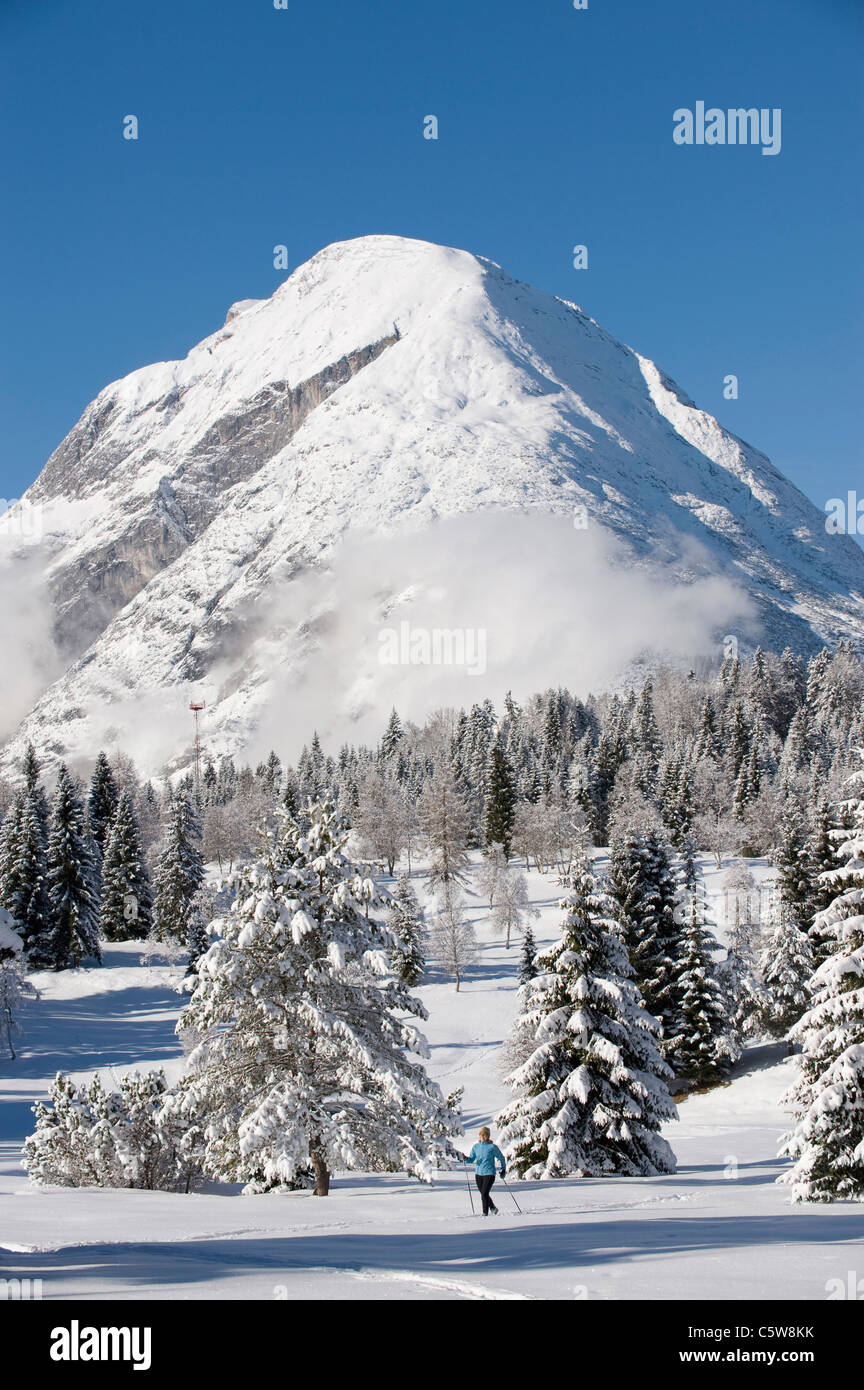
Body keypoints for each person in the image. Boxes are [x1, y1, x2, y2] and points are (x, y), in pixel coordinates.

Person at [463, 1126, 506, 1216]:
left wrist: (503, 1169)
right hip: (478, 1174)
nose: (482, 1136)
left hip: (489, 1173)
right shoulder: (476, 1147)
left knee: (484, 1194)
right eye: (481, 1134)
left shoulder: (492, 1147)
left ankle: (485, 1213)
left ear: (488, 1136)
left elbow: (501, 1158)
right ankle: (493, 1207)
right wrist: (465, 1158)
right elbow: (471, 1159)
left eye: (484, 1134)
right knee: (483, 1194)